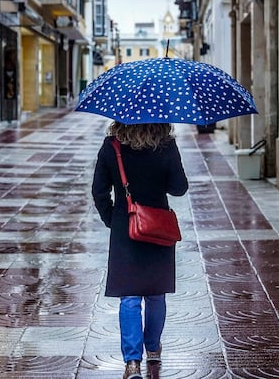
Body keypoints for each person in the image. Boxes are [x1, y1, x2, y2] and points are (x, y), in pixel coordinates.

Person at [92, 121, 189, 379]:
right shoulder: (166, 145)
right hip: (158, 226)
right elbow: (179, 188)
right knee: (156, 293)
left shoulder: (112, 146)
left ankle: (132, 363)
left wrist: (112, 219)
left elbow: (99, 191)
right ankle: (154, 348)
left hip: (126, 227)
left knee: (130, 296)